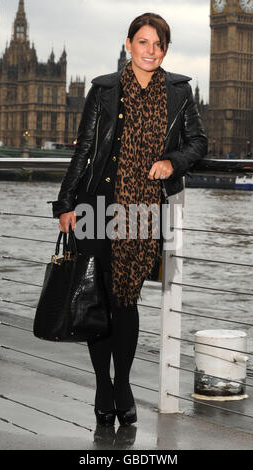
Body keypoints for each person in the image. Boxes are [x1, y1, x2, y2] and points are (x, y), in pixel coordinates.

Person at [49, 12, 208, 427]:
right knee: (97, 297)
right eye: (143, 42)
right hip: (97, 204)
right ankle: (105, 385)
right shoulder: (103, 90)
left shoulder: (179, 92)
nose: (151, 51)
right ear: (129, 44)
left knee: (126, 300)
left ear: (165, 49)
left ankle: (124, 385)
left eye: (159, 44)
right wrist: (65, 202)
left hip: (141, 209)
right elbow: (84, 149)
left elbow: (198, 142)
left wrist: (173, 163)